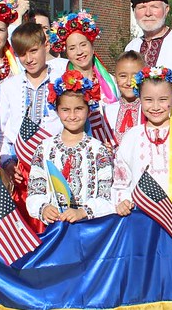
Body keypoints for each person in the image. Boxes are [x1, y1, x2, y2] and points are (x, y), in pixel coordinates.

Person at [112, 67, 172, 213]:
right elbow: (121, 182)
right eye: (149, 100)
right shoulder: (132, 137)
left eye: (163, 100)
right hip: (141, 219)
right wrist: (123, 201)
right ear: (139, 98)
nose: (156, 107)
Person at [25, 72, 117, 223]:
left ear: (88, 110)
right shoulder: (45, 148)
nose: (72, 116)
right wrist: (44, 208)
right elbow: (34, 191)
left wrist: (82, 212)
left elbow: (106, 196)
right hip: (56, 229)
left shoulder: (98, 150)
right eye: (66, 110)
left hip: (90, 230)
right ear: (57, 110)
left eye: (79, 109)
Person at [0, 22, 63, 165]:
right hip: (18, 161)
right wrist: (6, 161)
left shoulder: (62, 80)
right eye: (22, 54)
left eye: (33, 51)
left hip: (55, 159)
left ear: (46, 46)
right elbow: (1, 131)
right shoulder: (9, 86)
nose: (28, 59)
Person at [47, 10, 117, 105]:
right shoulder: (60, 84)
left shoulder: (112, 82)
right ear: (66, 53)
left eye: (83, 45)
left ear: (92, 47)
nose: (79, 52)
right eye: (72, 48)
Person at [104, 50, 145, 139]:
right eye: (123, 76)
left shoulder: (149, 110)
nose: (129, 82)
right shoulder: (107, 111)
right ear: (115, 78)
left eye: (135, 76)